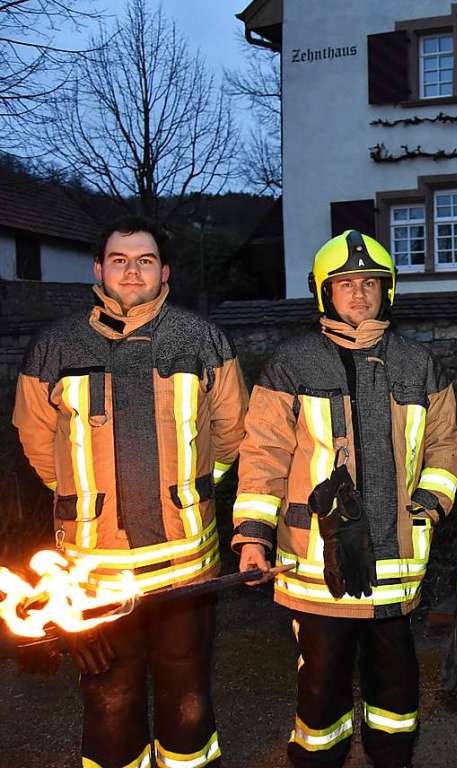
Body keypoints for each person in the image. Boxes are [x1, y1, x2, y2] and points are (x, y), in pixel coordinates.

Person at [13, 215, 248, 768]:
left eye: (144, 260)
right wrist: (82, 499)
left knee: (187, 699)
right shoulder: (54, 346)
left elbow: (233, 433)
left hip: (185, 568)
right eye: (119, 260)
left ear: (164, 271)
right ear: (99, 269)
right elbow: (38, 444)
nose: (132, 270)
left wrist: (185, 492)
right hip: (96, 573)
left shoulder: (204, 339)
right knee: (109, 701)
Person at [232, 230, 457, 768]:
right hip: (315, 564)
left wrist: (427, 506)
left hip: (394, 563)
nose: (358, 295)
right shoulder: (292, 363)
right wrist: (253, 536)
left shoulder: (418, 363)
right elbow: (262, 453)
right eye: (345, 285)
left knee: (397, 694)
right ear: (324, 294)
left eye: (369, 284)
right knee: (321, 693)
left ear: (387, 291)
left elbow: (445, 446)